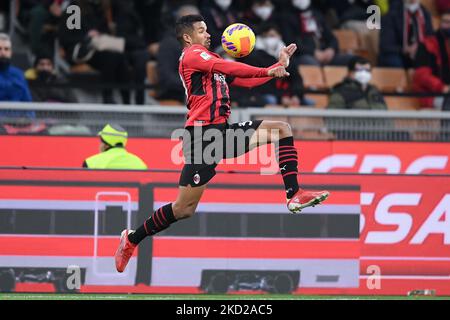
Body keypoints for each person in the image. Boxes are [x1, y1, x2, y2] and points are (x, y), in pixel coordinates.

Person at [114, 14, 330, 273]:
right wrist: (266, 69)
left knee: (281, 129)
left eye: (207, 30)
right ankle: (132, 239)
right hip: (202, 138)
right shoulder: (193, 55)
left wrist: (276, 68)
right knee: (183, 209)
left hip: (221, 133)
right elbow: (230, 68)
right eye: (202, 30)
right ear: (187, 37)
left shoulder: (211, 62)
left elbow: (244, 80)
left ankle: (294, 194)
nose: (208, 35)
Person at [280, 0, 353, 66]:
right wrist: (313, 53)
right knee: (312, 64)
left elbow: (332, 38)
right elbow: (290, 42)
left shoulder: (316, 15)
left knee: (352, 60)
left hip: (326, 53)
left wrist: (331, 49)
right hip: (305, 55)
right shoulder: (287, 18)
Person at [412, 10, 450, 110]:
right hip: (431, 96)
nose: (448, 26)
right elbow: (421, 76)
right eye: (446, 22)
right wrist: (442, 87)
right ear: (439, 23)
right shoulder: (426, 45)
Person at [378, 0, 434, 68]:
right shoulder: (392, 14)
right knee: (392, 60)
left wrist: (420, 49)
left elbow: (431, 39)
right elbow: (386, 45)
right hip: (398, 53)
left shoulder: (425, 14)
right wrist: (405, 49)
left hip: (419, 53)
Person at [83, 124, 148, 169]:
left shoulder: (90, 163)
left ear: (106, 145)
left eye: (101, 142)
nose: (99, 145)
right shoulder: (140, 164)